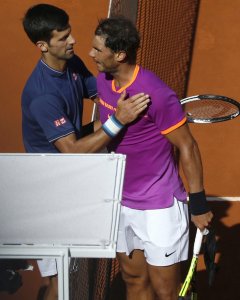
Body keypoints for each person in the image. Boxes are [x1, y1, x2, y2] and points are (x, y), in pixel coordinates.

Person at [21, 4, 150, 300]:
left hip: (72, 176)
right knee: (60, 279)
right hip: (50, 193)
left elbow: (104, 93)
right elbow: (72, 151)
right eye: (63, 38)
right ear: (43, 45)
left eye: (70, 34)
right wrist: (119, 120)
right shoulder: (43, 96)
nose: (73, 41)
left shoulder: (71, 63)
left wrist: (144, 98)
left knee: (75, 269)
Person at [89, 17, 213, 300]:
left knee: (165, 291)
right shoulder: (103, 80)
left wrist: (198, 204)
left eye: (97, 49)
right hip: (120, 201)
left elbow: (188, 147)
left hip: (159, 206)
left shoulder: (155, 93)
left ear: (119, 55)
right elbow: (109, 127)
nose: (91, 54)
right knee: (133, 280)